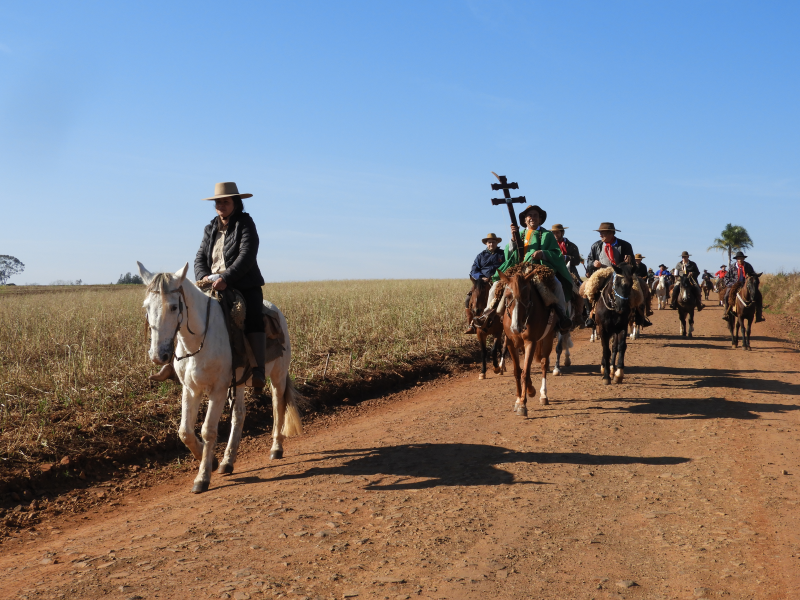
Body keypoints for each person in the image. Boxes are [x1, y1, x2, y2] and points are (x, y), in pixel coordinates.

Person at [151, 182, 268, 389]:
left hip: (242, 284)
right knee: (185, 312)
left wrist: (227, 279)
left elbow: (247, 255)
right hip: (211, 284)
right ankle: (172, 363)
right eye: (218, 202)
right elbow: (199, 257)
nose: (220, 205)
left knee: (252, 316)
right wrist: (204, 276)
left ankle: (258, 369)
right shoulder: (210, 227)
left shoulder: (246, 224)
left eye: (225, 201)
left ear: (235, 203)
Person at [476, 204, 573, 331]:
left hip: (538, 269)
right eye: (530, 215)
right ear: (525, 219)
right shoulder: (519, 234)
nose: (532, 218)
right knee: (496, 286)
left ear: (540, 219)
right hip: (518, 270)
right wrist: (512, 240)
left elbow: (557, 254)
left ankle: (562, 318)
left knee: (558, 285)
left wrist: (543, 253)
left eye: (535, 215)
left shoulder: (547, 235)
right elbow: (508, 254)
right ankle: (487, 314)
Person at [584, 222, 647, 328]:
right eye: (600, 233)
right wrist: (594, 264)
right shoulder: (596, 246)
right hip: (602, 272)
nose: (600, 235)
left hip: (621, 273)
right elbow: (589, 261)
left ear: (611, 233)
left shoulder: (625, 245)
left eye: (603, 233)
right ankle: (590, 315)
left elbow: (631, 264)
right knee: (586, 288)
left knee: (639, 287)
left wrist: (629, 262)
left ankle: (639, 315)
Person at [464, 233, 505, 334]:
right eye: (489, 242)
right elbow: (474, 270)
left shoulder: (503, 254)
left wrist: (496, 276)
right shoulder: (480, 256)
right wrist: (482, 278)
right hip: (482, 282)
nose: (491, 244)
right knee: (468, 299)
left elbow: (506, 267)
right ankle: (471, 325)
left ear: (497, 243)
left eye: (493, 242)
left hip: (498, 281)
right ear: (486, 244)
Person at [722, 251, 765, 322]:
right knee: (726, 295)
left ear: (743, 259)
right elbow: (726, 278)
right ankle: (726, 313)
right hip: (734, 285)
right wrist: (732, 284)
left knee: (758, 295)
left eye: (741, 258)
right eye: (738, 258)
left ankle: (759, 314)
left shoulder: (748, 266)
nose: (740, 260)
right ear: (736, 259)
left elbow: (752, 275)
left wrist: (755, 277)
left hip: (746, 285)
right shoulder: (732, 267)